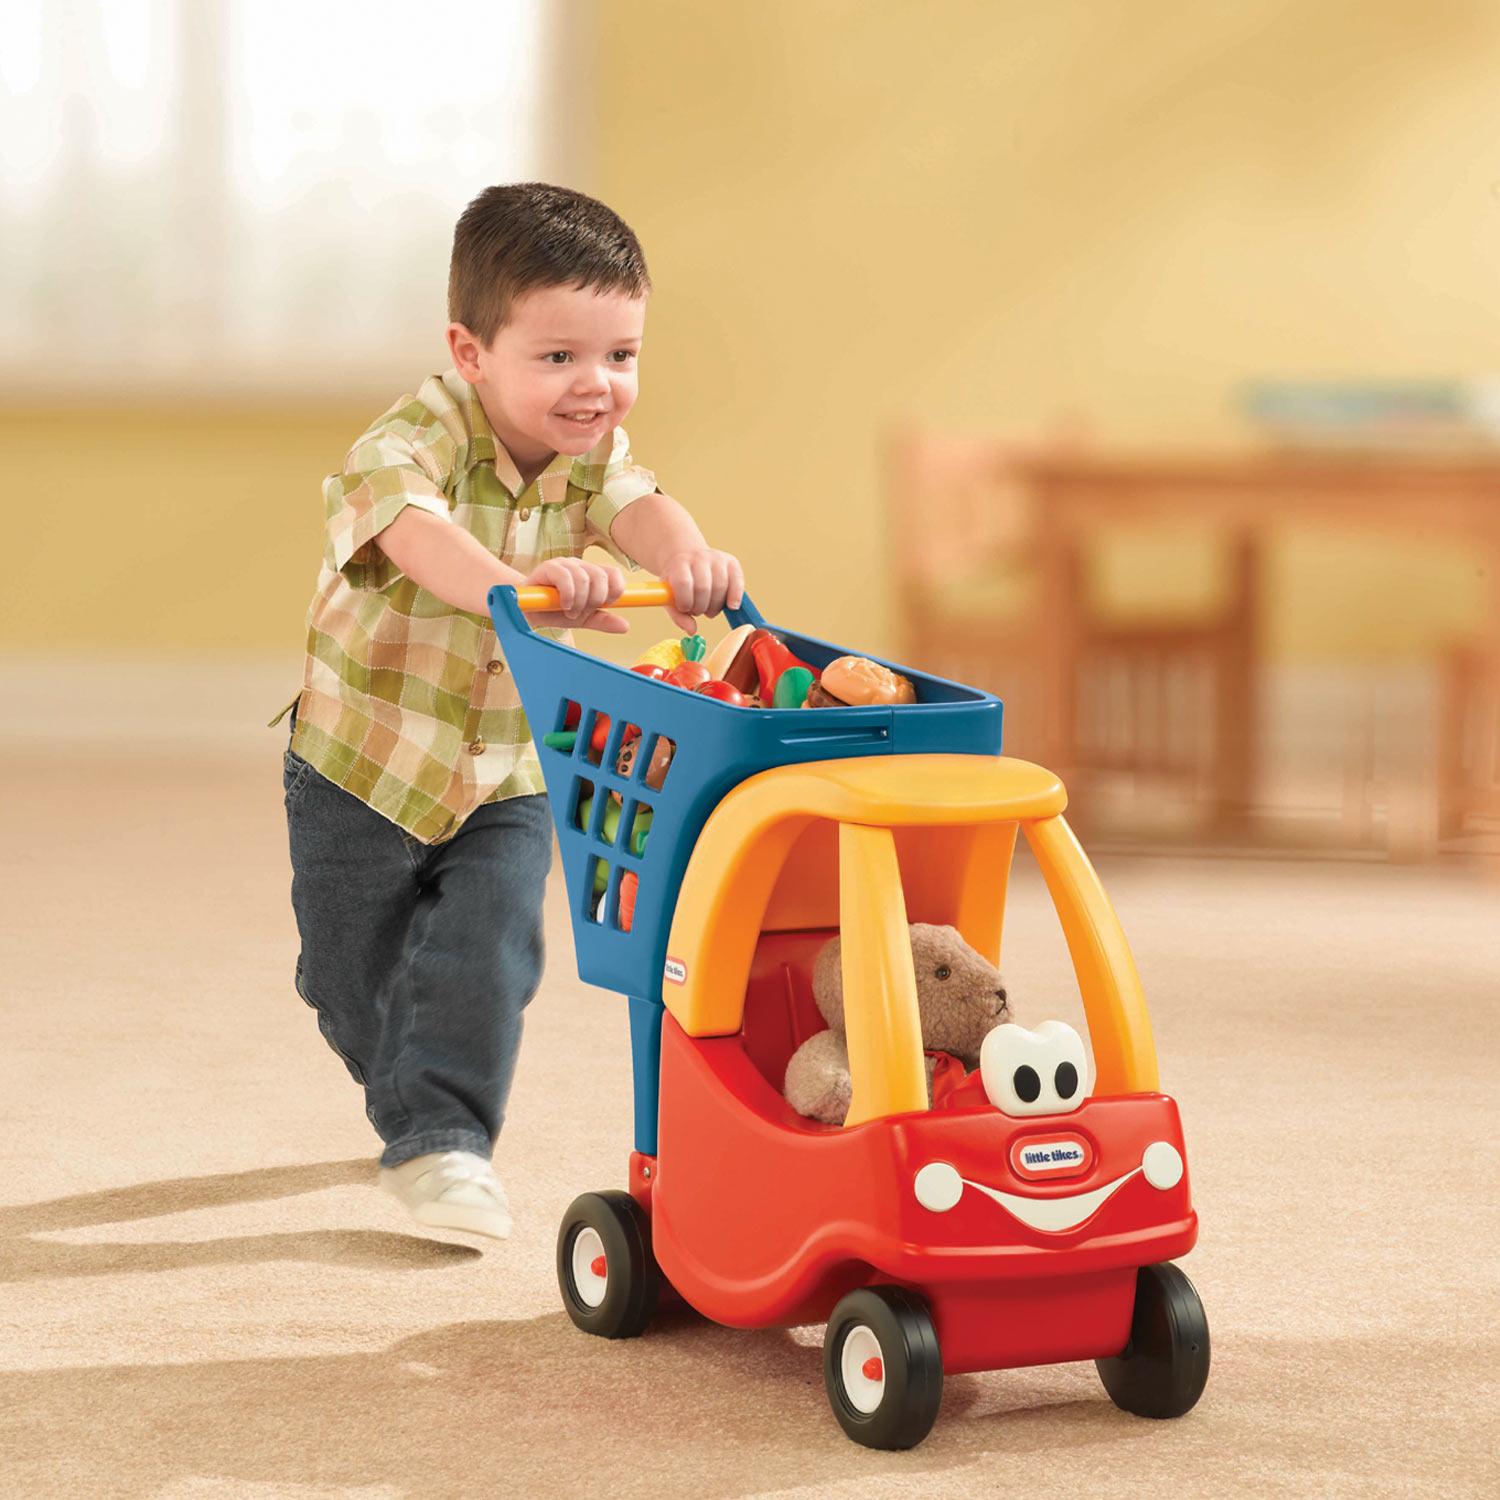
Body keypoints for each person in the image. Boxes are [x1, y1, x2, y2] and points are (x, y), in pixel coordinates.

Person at [270, 183, 743, 1239]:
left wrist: (687, 561)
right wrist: (512, 584)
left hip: (514, 767)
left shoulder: (592, 455)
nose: (596, 386)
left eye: (621, 355)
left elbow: (640, 505)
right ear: (472, 350)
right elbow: (411, 530)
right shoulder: (412, 436)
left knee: (489, 947)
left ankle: (444, 1145)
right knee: (358, 986)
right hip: (364, 763)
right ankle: (383, 1042)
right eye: (560, 356)